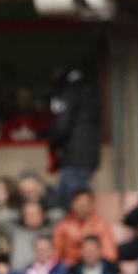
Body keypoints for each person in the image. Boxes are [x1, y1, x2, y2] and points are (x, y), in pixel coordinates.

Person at [49, 66, 102, 205]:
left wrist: (53, 145)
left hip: (75, 157)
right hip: (88, 157)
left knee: (71, 204)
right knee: (78, 200)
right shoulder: (90, 90)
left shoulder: (70, 91)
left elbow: (62, 126)